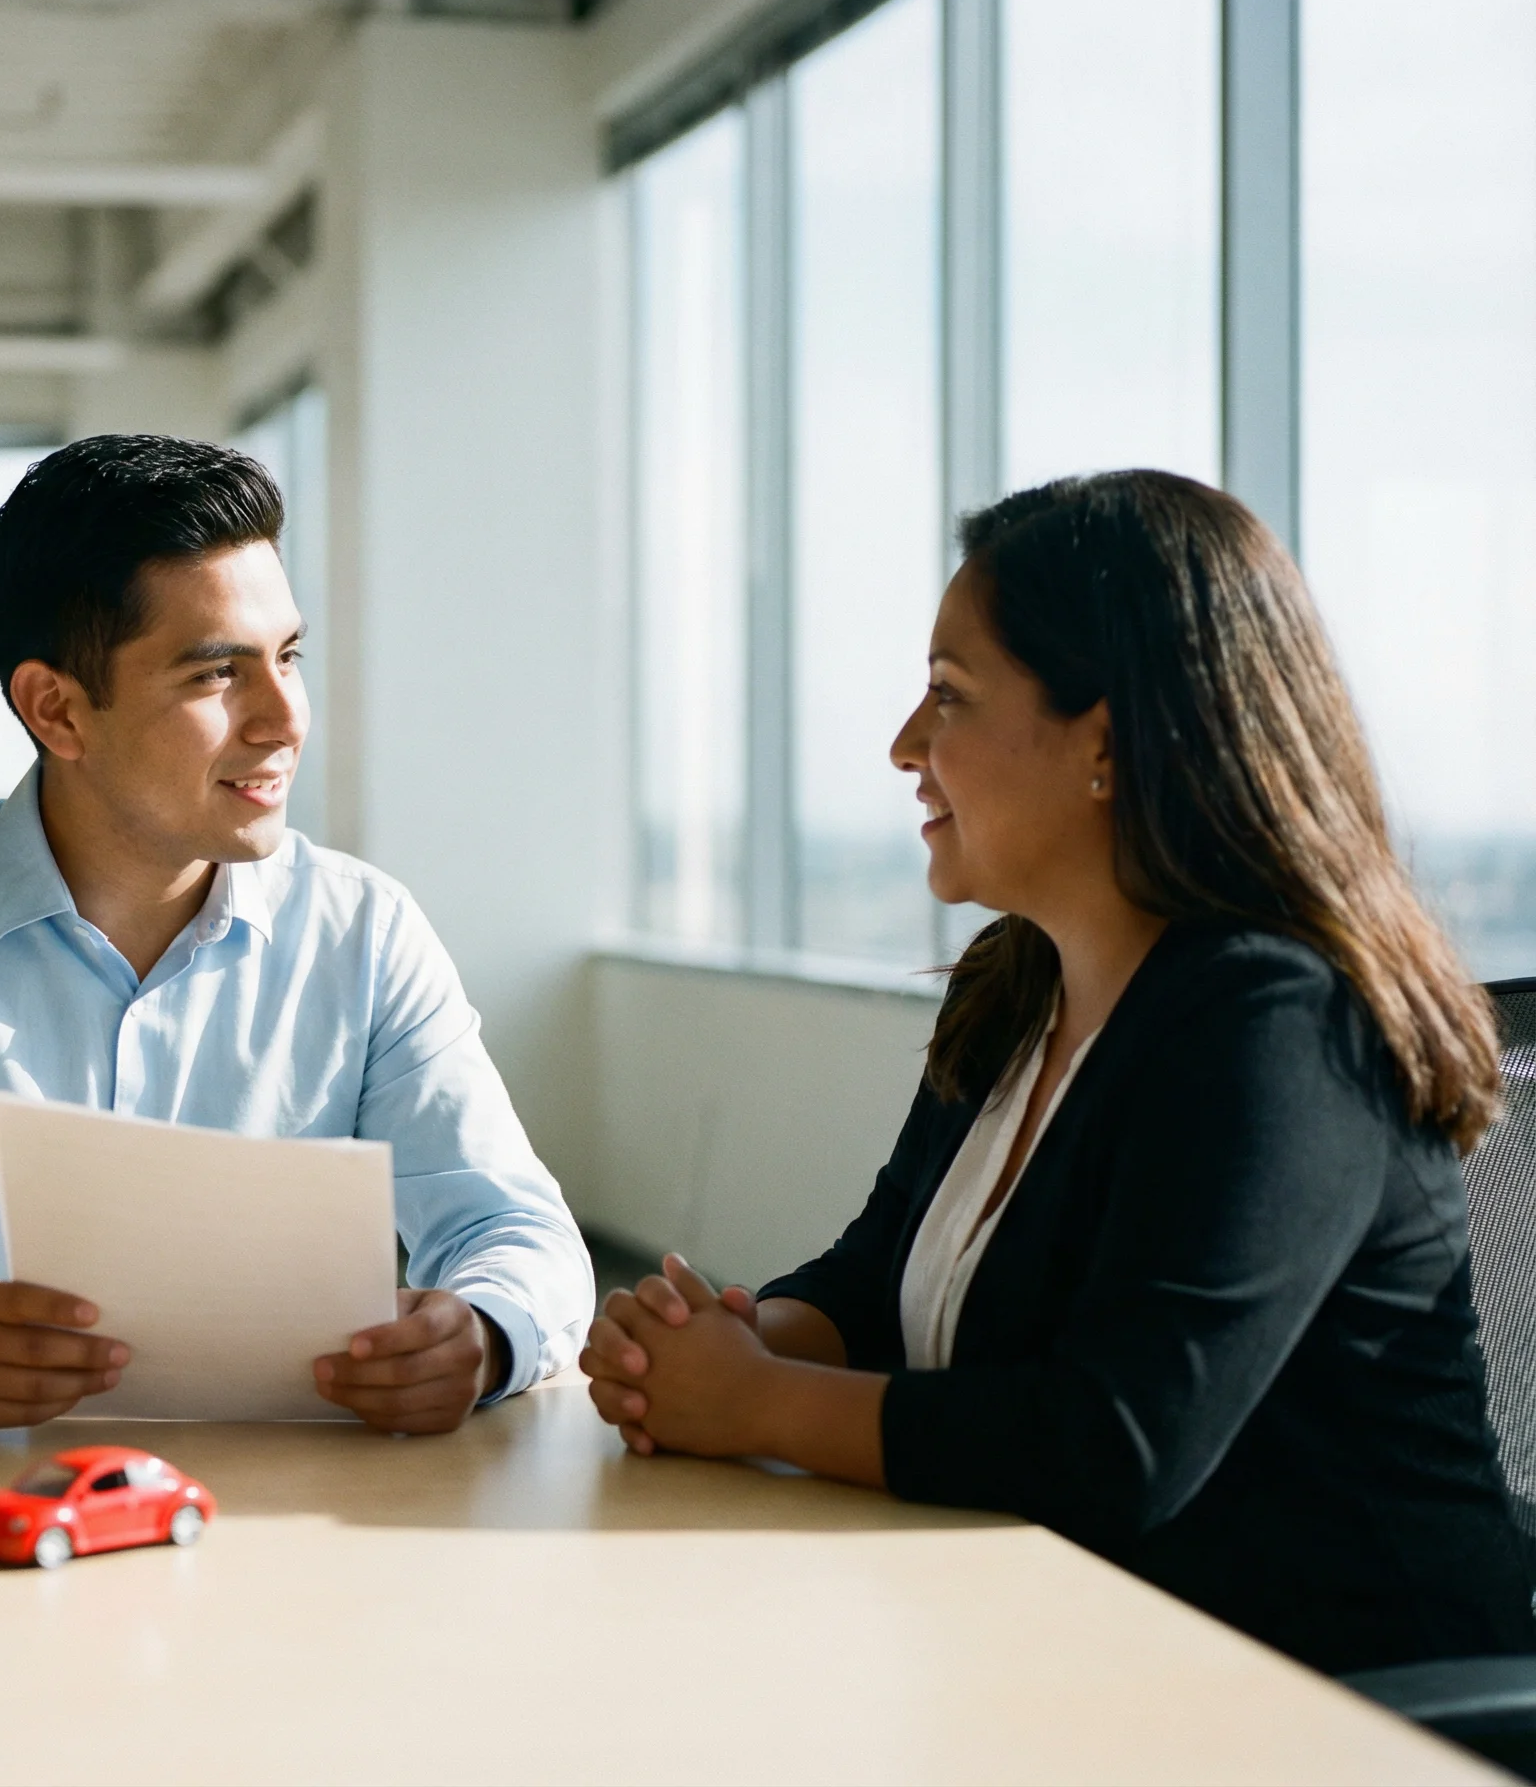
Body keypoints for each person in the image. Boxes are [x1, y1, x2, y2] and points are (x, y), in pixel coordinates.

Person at [580, 470, 1536, 1674]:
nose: (904, 745)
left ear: (1108, 742)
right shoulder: (1018, 982)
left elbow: (1116, 1440)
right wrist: (719, 1345)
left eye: (949, 695)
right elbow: (876, 1277)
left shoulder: (1285, 1021)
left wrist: (756, 1403)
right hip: (1084, 1648)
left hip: (1345, 1703)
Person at [0, 433, 591, 1437]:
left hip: (288, 1507)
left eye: (288, 657)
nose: (284, 718)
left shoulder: (365, 934)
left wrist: (484, 1333)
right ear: (57, 710)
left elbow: (516, 1231)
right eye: (216, 676)